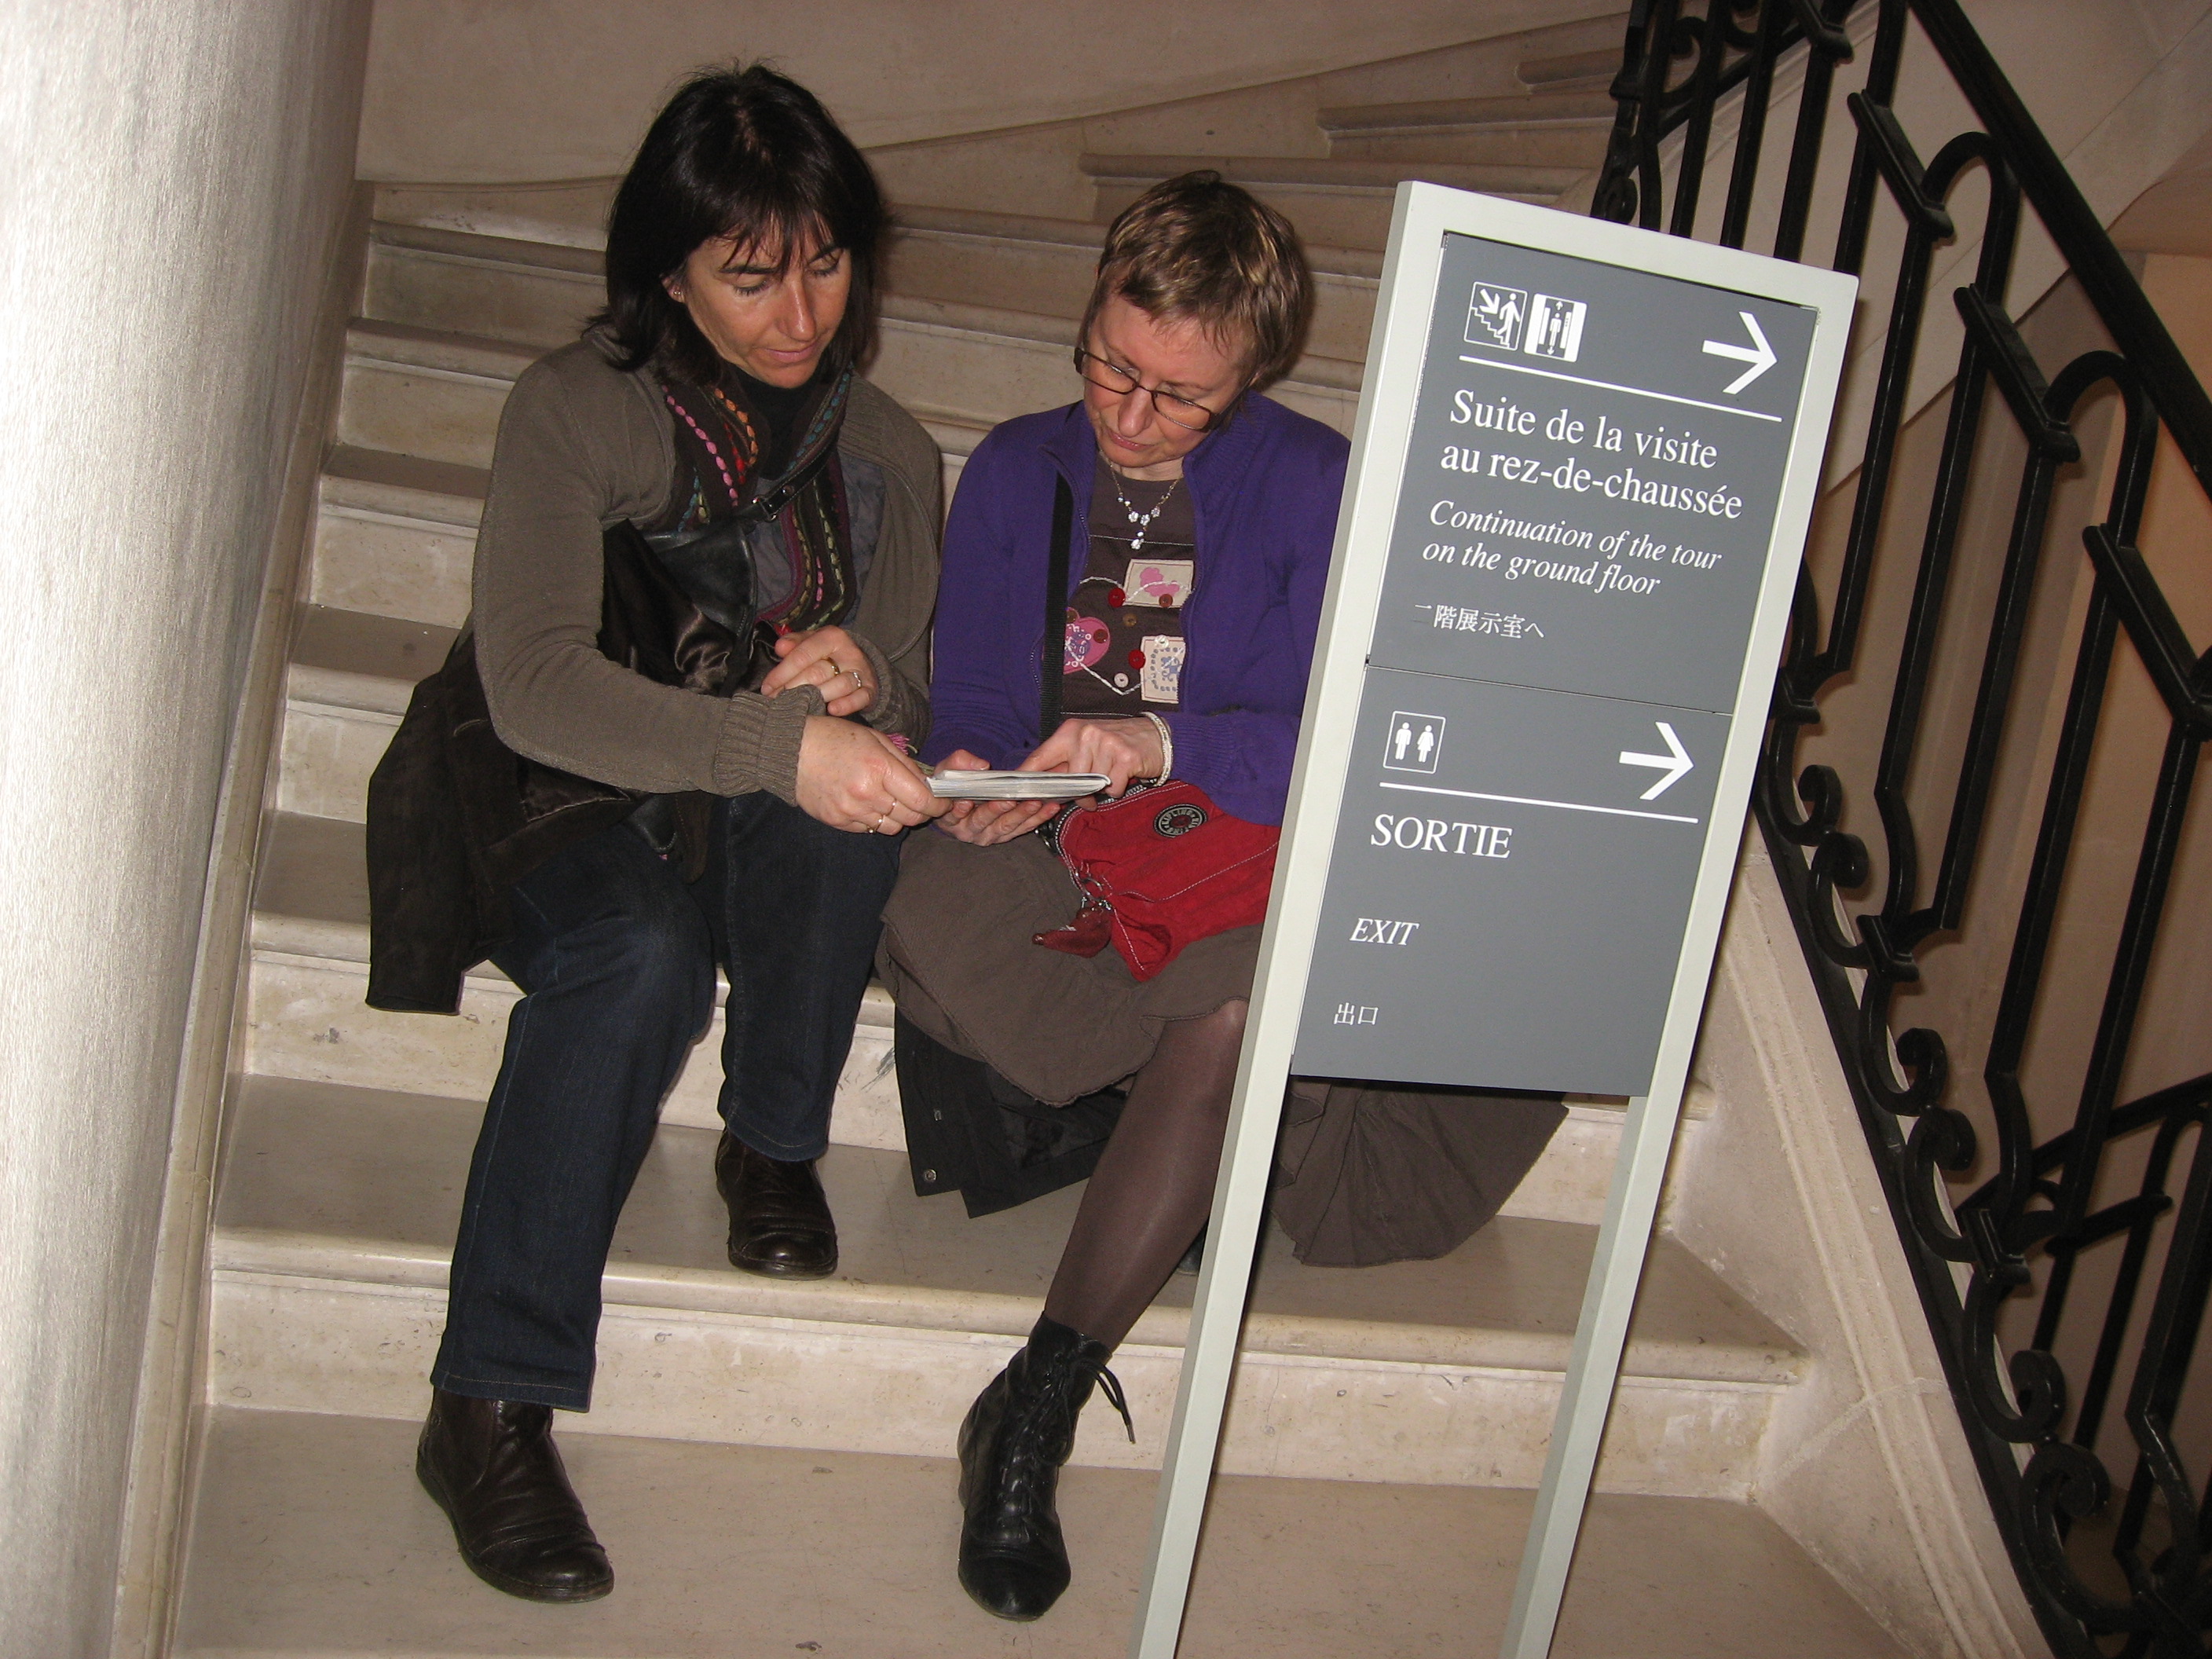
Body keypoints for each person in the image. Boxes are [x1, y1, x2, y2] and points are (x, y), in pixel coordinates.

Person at [880, 171, 1564, 1623]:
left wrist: (1160, 741)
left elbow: (1344, 731)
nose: (1129, 416)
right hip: (1068, 849)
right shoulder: (1013, 466)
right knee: (935, 911)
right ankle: (1182, 1145)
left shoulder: (1314, 482)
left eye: (1180, 396)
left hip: (1229, 833)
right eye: (1108, 365)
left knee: (1239, 1003)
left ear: (1251, 374)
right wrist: (990, 773)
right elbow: (981, 693)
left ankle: (1036, 1402)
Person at [364, 64, 943, 1602]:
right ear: (669, 273)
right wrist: (777, 740)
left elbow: (911, 666)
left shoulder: (889, 452)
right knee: (635, 957)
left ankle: (773, 1141)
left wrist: (867, 678)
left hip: (725, 785)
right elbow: (536, 682)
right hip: (554, 773)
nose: (800, 313)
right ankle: (487, 1403)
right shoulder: (577, 409)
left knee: (849, 812)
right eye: (751, 276)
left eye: (827, 263)